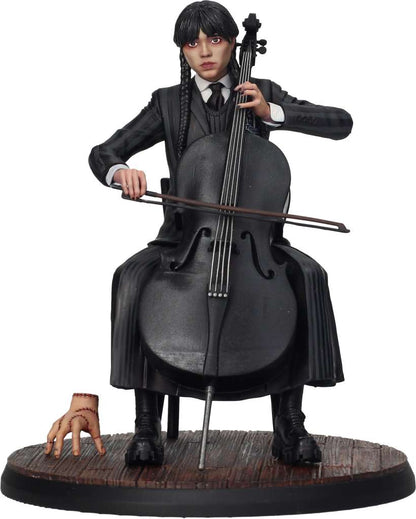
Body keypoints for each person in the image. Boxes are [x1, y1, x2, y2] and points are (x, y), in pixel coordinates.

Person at [45, 1, 352, 467]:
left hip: (258, 242)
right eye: (192, 44)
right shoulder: (168, 102)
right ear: (182, 51)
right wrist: (120, 171)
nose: (205, 52)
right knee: (131, 277)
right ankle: (145, 423)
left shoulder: (262, 91)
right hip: (183, 241)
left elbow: (341, 123)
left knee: (309, 276)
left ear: (233, 43)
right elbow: (103, 152)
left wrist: (273, 111)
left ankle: (290, 422)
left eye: (216, 40)